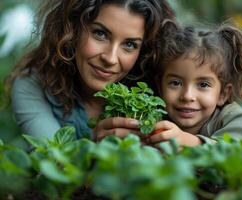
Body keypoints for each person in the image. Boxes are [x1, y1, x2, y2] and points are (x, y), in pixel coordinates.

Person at [6, 0, 175, 139]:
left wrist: (198, 141)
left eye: (130, 44)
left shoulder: (159, 81)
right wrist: (96, 150)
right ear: (72, 29)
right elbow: (55, 166)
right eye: (100, 34)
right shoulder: (33, 84)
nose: (110, 58)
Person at [149, 21, 242, 147]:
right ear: (161, 86)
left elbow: (238, 153)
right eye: (176, 83)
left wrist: (191, 143)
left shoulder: (234, 118)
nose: (188, 96)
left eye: (203, 85)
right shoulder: (151, 115)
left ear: (223, 94)